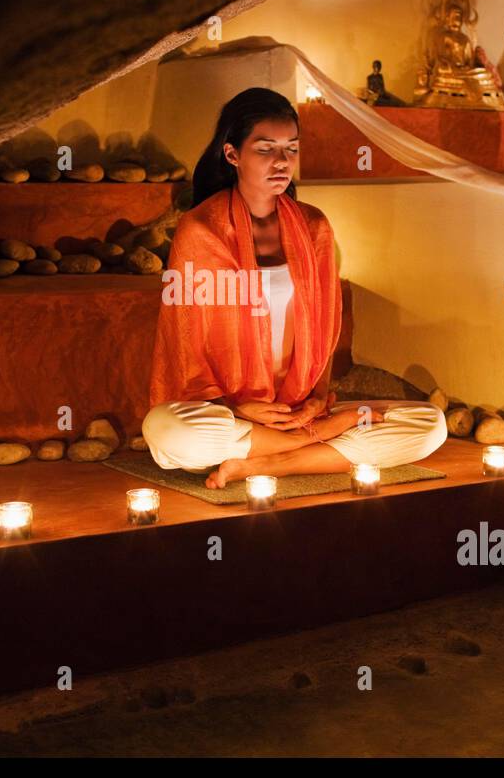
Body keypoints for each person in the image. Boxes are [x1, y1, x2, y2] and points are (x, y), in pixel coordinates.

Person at [143, 88, 446, 489]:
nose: (282, 162)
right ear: (232, 154)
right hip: (235, 414)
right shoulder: (200, 230)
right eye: (266, 149)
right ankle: (311, 448)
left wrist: (319, 401)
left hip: (298, 409)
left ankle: (268, 463)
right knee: (169, 430)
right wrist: (238, 406)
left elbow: (324, 332)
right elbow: (184, 343)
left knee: (431, 425)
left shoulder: (314, 227)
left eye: (291, 149)